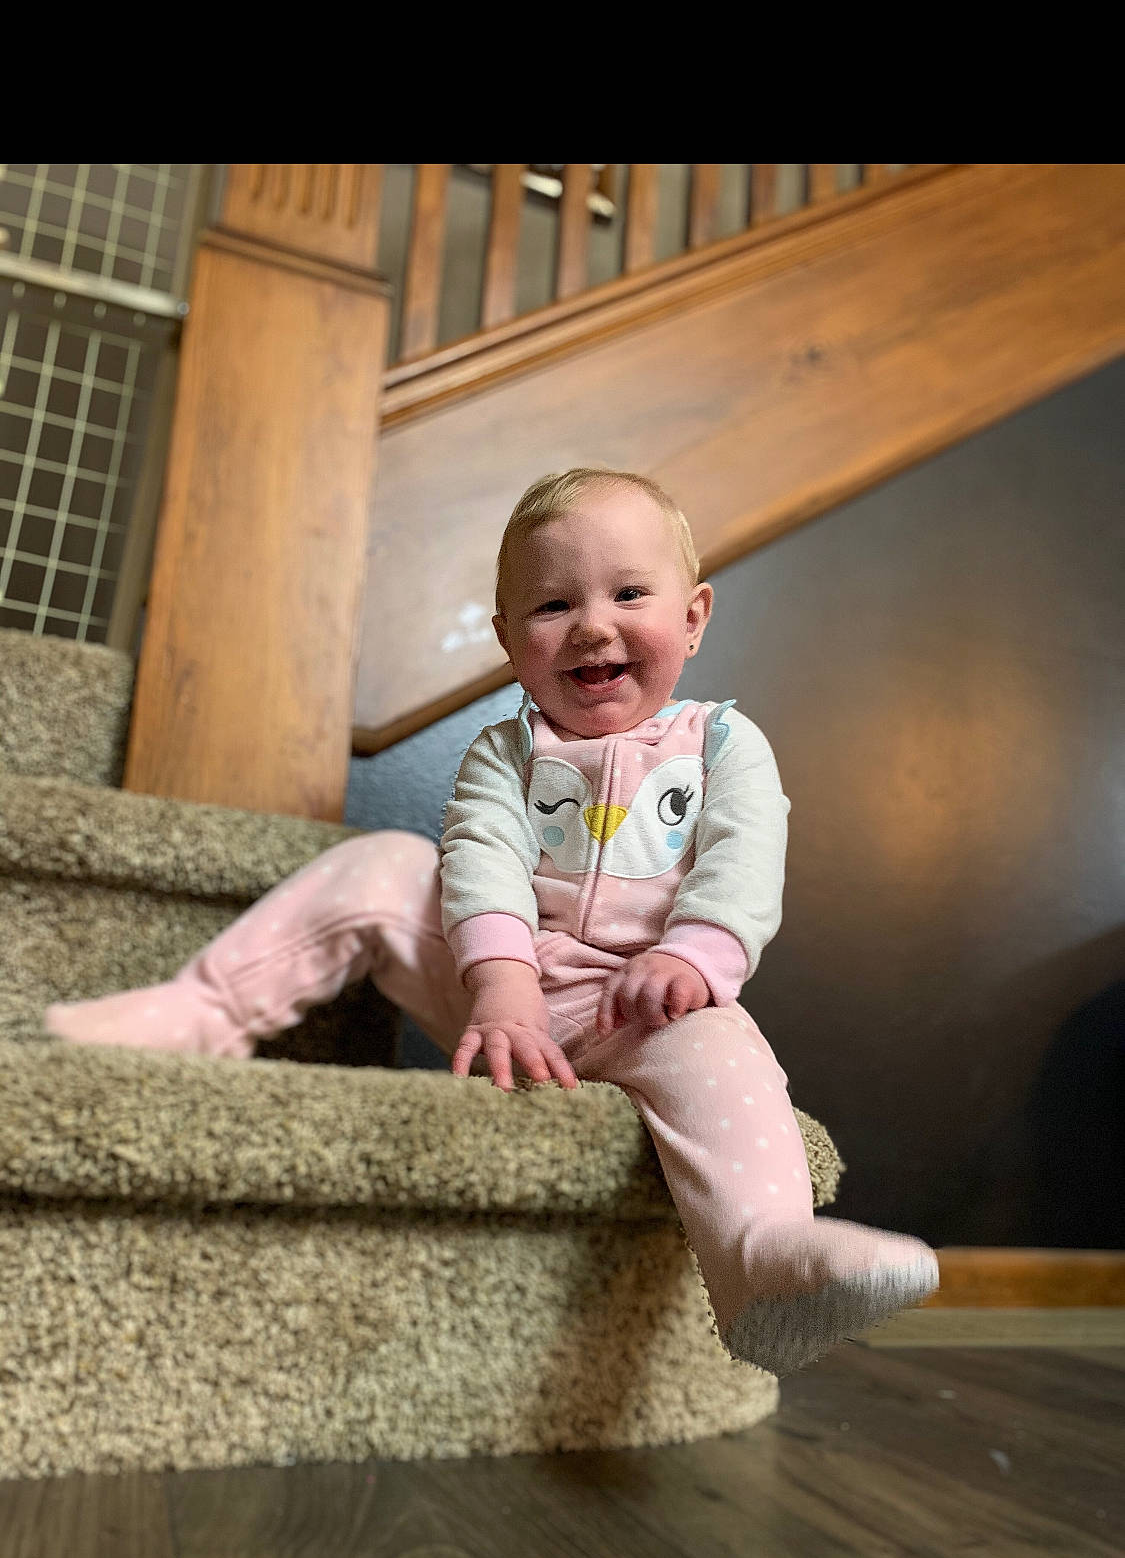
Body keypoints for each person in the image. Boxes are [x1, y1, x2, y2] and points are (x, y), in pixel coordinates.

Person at [44, 467, 940, 1373]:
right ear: (509, 640)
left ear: (693, 617)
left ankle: (761, 1260)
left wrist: (694, 958)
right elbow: (480, 859)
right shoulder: (504, 753)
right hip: (501, 995)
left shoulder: (720, 743)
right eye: (553, 605)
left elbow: (743, 861)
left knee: (725, 1054)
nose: (591, 625)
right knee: (388, 864)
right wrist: (503, 985)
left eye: (629, 594)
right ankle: (203, 1011)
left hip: (642, 1007)